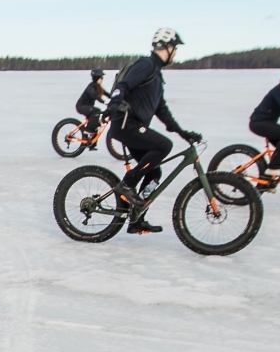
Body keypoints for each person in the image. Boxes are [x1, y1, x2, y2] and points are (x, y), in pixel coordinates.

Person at [105, 28, 203, 235]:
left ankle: (136, 220)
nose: (175, 53)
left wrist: (183, 132)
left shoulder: (157, 76)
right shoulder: (146, 64)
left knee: (154, 172)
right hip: (125, 123)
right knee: (163, 146)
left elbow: (162, 110)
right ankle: (127, 184)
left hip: (133, 127)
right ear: (166, 47)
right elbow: (124, 85)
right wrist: (114, 101)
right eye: (174, 49)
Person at [74, 68, 109, 137]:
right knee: (97, 111)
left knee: (97, 119)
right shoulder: (91, 87)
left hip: (88, 107)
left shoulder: (98, 86)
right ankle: (88, 131)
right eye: (101, 77)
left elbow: (107, 94)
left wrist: (116, 98)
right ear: (97, 78)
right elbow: (94, 95)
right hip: (81, 107)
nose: (102, 79)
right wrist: (104, 102)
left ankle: (90, 141)